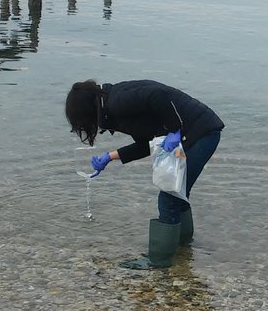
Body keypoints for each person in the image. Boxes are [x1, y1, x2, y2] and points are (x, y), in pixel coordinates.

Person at [65, 79, 223, 269]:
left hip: (201, 133)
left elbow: (157, 95)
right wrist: (109, 157)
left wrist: (174, 129)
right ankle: (182, 247)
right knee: (178, 193)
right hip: (196, 132)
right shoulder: (112, 107)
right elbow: (144, 145)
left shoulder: (117, 103)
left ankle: (159, 261)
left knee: (169, 198)